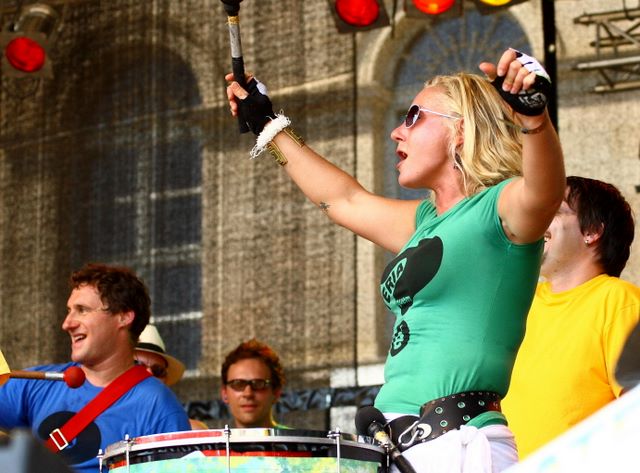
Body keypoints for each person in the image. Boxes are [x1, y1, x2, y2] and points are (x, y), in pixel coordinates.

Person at [225, 47, 565, 472]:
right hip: (394, 444)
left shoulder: (498, 209)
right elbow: (343, 200)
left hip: (460, 443)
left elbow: (544, 192)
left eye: (413, 117)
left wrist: (535, 120)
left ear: (460, 130)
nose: (395, 133)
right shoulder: (425, 221)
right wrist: (267, 124)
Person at [0, 263, 190, 473]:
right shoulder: (36, 383)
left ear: (123, 317)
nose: (67, 323)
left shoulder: (159, 407)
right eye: (69, 311)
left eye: (82, 310)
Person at [502, 176, 640, 459]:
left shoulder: (618, 301)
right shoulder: (521, 301)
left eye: (552, 209)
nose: (535, 218)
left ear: (592, 231)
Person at [135, 324, 208, 430]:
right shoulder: (109, 422)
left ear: (165, 381)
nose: (149, 375)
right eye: (138, 366)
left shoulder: (189, 430)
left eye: (158, 371)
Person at [220, 339, 286, 429]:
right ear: (224, 393)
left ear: (276, 393)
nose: (248, 394)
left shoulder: (298, 438)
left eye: (258, 384)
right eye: (238, 384)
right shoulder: (213, 438)